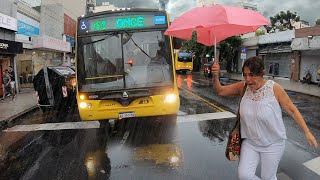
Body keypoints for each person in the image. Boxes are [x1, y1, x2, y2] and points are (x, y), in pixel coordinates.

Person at [211, 56, 318, 180]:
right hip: (250, 143)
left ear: (261, 73)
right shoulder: (243, 87)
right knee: (244, 175)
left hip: (273, 143)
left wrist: (307, 132)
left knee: (268, 177)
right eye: (245, 75)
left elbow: (292, 110)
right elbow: (220, 91)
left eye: (251, 75)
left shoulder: (274, 89)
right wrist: (215, 76)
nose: (248, 79)